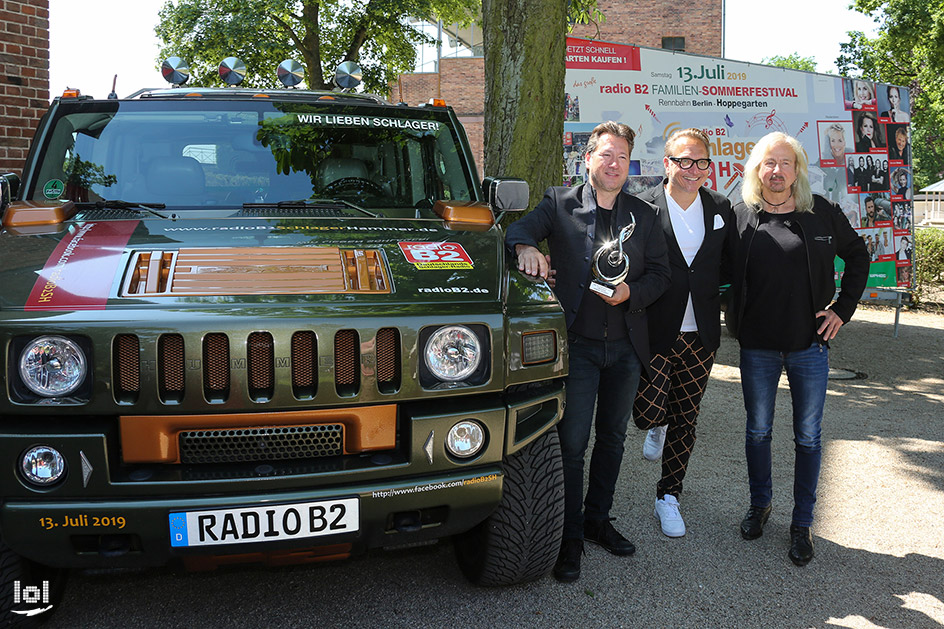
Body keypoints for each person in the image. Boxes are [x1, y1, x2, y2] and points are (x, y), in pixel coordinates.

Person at [505, 121, 670, 583]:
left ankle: (598, 520)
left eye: (622, 156)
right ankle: (569, 534)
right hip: (576, 347)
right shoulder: (558, 203)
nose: (614, 163)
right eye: (606, 154)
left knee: (614, 439)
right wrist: (526, 250)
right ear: (589, 159)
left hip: (625, 348)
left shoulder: (645, 214)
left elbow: (661, 275)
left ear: (628, 164)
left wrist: (630, 295)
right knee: (572, 443)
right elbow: (519, 230)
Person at [727, 132, 869, 567]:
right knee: (758, 431)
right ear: (756, 169)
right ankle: (760, 506)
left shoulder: (819, 213)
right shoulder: (740, 216)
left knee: (808, 437)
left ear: (797, 170)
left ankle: (802, 523)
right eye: (769, 163)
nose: (776, 171)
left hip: (810, 345)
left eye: (785, 163)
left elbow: (859, 255)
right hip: (757, 347)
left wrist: (841, 310)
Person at [632, 128, 734, 537]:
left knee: (687, 418)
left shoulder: (720, 207)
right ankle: (657, 424)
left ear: (709, 166)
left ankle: (668, 495)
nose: (693, 170)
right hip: (655, 326)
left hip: (701, 332)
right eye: (684, 161)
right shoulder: (644, 209)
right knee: (646, 412)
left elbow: (727, 265)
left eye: (702, 162)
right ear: (667, 164)